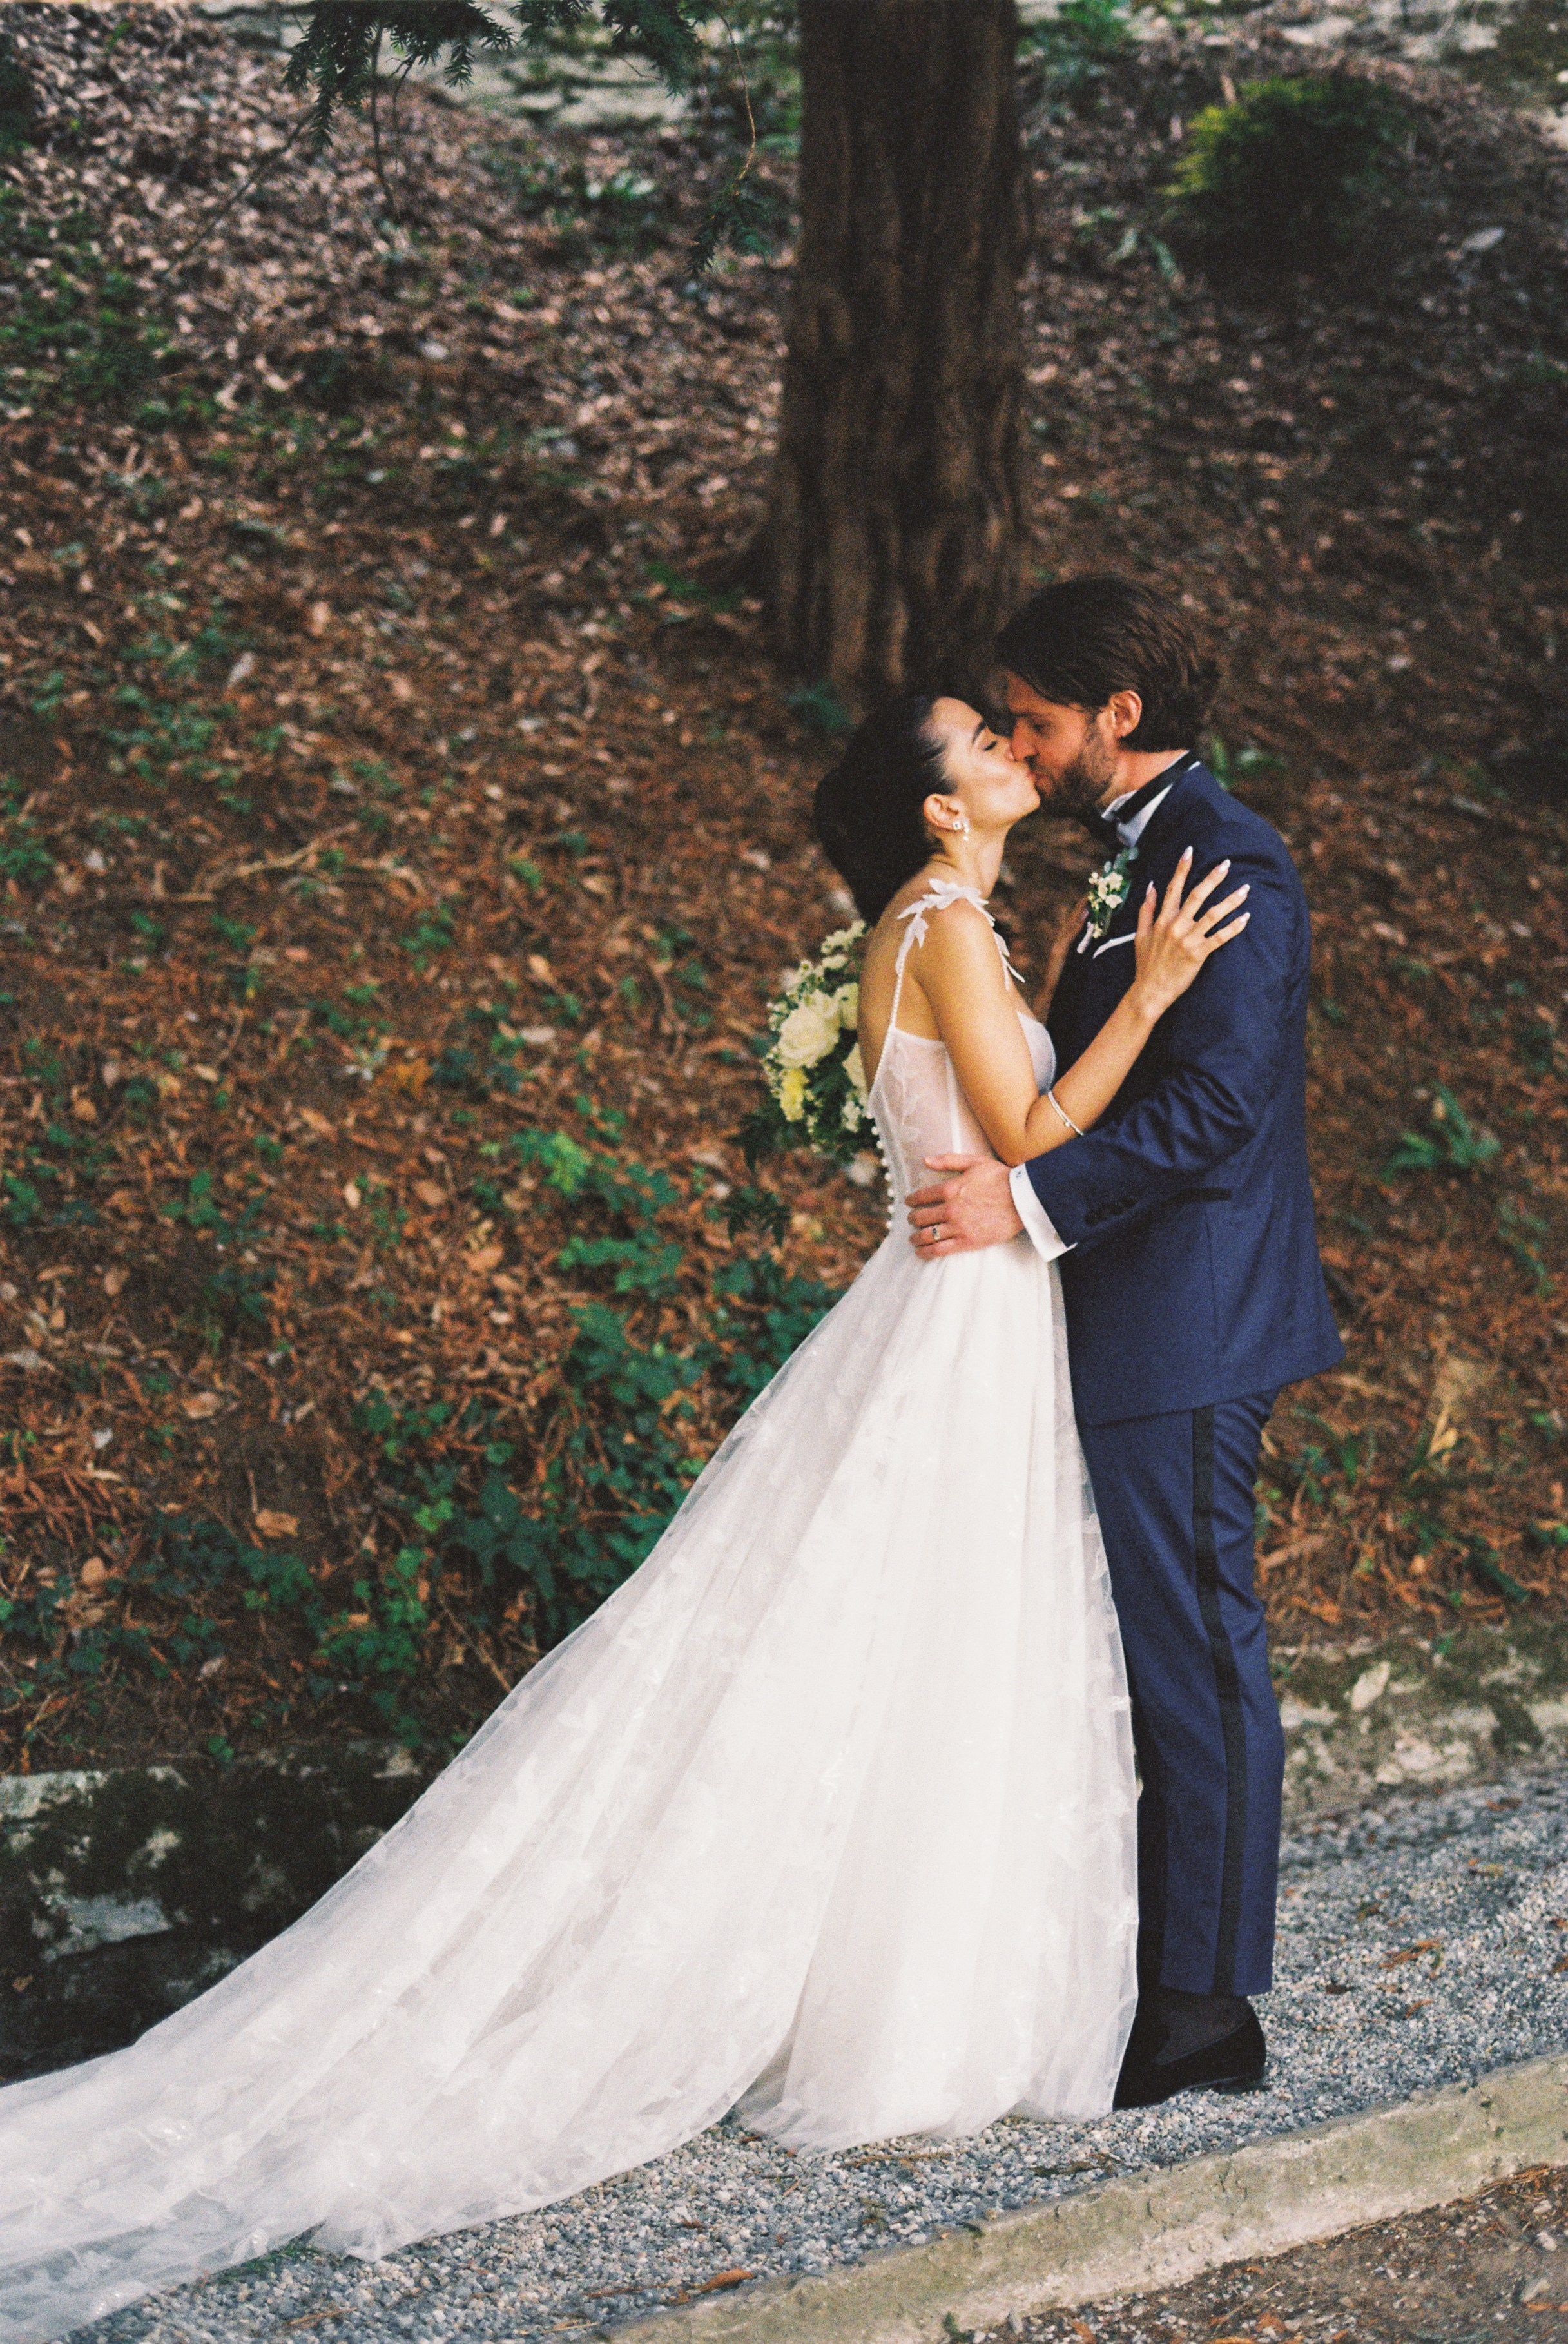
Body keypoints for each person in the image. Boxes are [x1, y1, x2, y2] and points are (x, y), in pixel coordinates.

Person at [0, 692, 1242, 2344]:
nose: (1013, 752)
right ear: (943, 811)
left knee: (917, 1645)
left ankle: (898, 1986)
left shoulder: (938, 917)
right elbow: (1023, 1138)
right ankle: (894, 2015)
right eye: (981, 743)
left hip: (962, 1316)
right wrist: (1151, 994)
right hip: (960, 1326)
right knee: (919, 1638)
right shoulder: (942, 921)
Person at [907, 576, 1344, 2109]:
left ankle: (1205, 2011)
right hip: (1119, 1310)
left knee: (1195, 1656)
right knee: (1134, 1656)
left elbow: (1216, 1108)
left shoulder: (1233, 866)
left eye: (1033, 722)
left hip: (1186, 1321)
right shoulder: (1133, 863)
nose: (1019, 748)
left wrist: (1024, 1198)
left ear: (1119, 716)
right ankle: (1137, 1969)